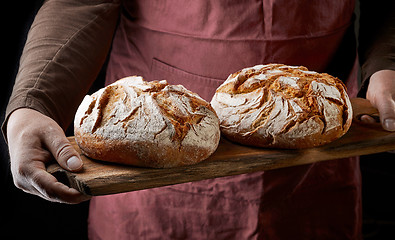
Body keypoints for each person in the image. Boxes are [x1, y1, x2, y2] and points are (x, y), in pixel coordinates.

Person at [4, 0, 395, 239]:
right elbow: (80, 3)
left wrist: (386, 65)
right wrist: (33, 102)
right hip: (144, 145)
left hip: (316, 154)